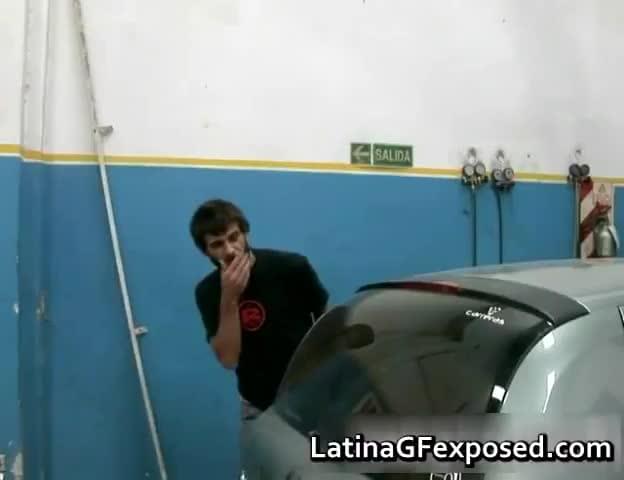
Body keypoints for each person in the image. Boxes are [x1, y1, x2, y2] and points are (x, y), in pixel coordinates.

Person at [190, 198, 329, 421]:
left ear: (245, 233)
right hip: (258, 405)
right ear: (206, 252)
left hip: (311, 392)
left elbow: (327, 324)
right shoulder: (207, 292)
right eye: (217, 244)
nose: (230, 250)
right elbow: (229, 359)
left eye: (234, 237)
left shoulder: (291, 267)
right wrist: (229, 297)